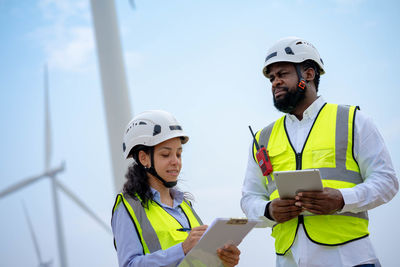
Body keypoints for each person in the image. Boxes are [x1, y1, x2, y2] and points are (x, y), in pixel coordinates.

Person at [241, 36, 398, 267]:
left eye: (282, 74)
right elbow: (249, 198)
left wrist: (342, 199)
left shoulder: (353, 121)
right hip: (288, 260)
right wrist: (268, 210)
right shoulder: (262, 138)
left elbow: (387, 182)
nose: (275, 82)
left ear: (309, 74)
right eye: (272, 78)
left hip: (350, 259)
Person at [112, 110, 240, 267]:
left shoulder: (185, 205)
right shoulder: (129, 207)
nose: (175, 162)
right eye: (166, 155)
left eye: (179, 154)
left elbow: (196, 261)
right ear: (143, 158)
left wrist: (223, 261)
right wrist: (182, 249)